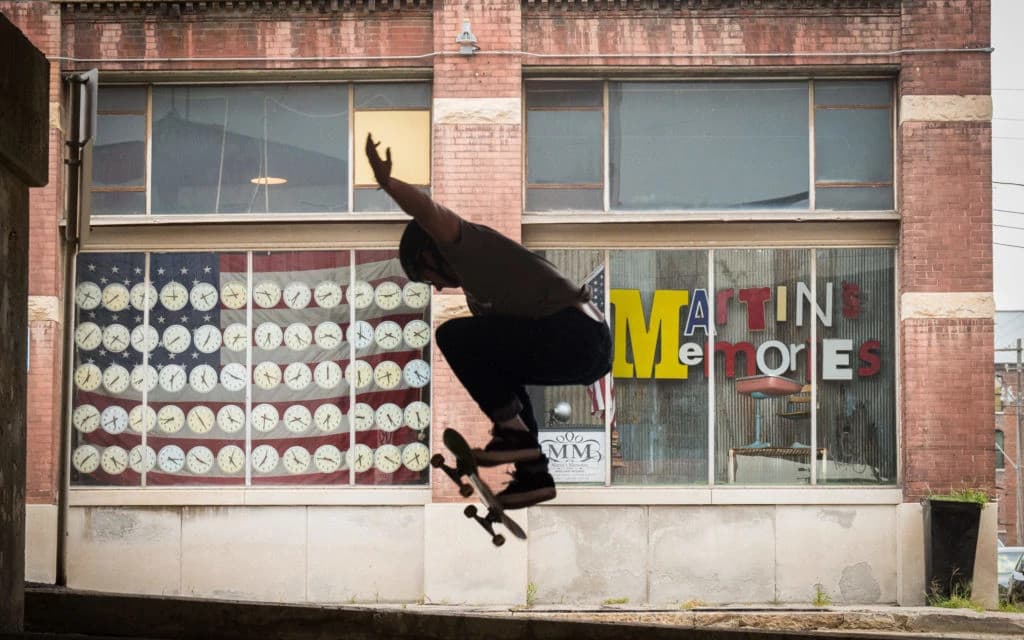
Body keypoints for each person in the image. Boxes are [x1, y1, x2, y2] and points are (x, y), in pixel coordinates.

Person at [365, 133, 613, 509]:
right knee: (501, 374)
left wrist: (388, 183)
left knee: (454, 335)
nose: (434, 288)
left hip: (578, 333)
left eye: (426, 276)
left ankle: (517, 442)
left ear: (433, 252)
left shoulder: (470, 248)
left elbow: (429, 213)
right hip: (579, 344)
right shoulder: (480, 294)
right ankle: (535, 476)